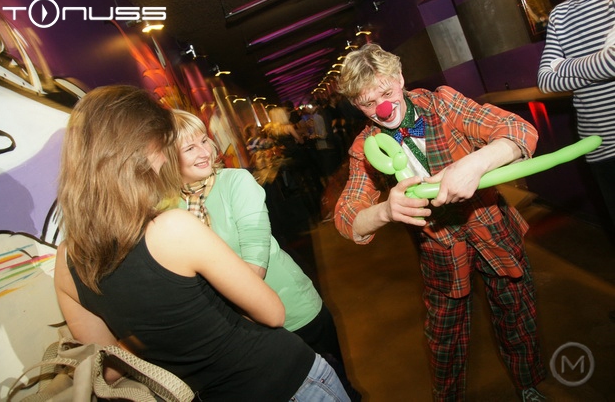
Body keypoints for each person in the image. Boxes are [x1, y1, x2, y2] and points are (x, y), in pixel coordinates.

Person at [54, 85, 350, 402]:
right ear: (138, 153)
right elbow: (272, 313)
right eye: (163, 145)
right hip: (283, 379)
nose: (163, 157)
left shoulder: (65, 260)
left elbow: (108, 368)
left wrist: (149, 335)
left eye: (203, 141)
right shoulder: (173, 227)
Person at [333, 43, 546, 401]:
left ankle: (528, 386)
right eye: (368, 103)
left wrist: (474, 164)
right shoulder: (366, 147)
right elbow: (346, 217)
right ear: (356, 104)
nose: (382, 108)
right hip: (439, 250)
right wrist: (385, 211)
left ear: (400, 79)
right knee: (445, 341)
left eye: (386, 93)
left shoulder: (442, 103)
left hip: (492, 229)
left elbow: (518, 129)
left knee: (518, 316)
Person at [161, 109, 361, 401]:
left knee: (337, 389)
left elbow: (255, 263)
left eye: (204, 141)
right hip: (243, 335)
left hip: (292, 313)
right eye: (190, 148)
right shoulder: (168, 207)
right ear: (167, 158)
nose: (204, 152)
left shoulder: (235, 181)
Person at [537, 0, 615, 237]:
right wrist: (598, 65)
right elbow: (545, 81)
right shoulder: (559, 15)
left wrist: (563, 66)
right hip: (596, 144)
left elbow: (613, 62)